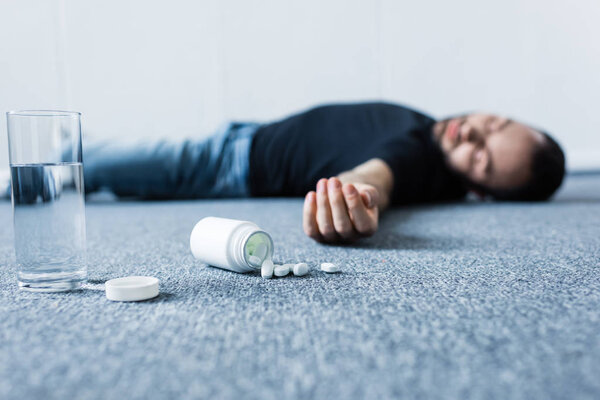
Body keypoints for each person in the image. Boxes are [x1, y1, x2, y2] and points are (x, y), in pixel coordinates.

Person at [81, 102, 566, 243]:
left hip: (229, 163)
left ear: (479, 192)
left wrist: (353, 196)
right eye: (493, 124)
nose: (471, 134)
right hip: (249, 133)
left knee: (87, 159)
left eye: (480, 157)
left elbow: (379, 174)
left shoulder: (420, 160)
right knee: (113, 175)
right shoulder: (427, 131)